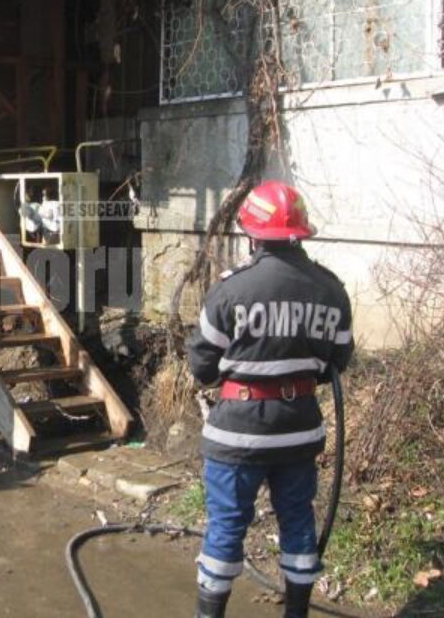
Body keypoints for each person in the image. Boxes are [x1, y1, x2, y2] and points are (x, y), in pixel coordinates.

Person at [186, 181, 354, 618]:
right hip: (299, 429)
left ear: (253, 235)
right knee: (298, 521)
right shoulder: (331, 290)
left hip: (237, 433)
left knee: (226, 528)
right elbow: (339, 360)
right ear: (300, 232)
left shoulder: (231, 290)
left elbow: (201, 364)